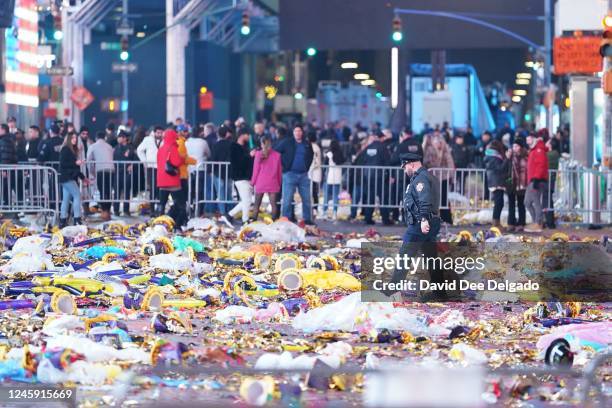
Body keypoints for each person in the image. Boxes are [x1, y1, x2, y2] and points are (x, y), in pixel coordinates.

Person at [385, 152, 443, 300]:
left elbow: (425, 200)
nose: (405, 170)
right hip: (432, 221)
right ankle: (440, 292)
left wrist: (423, 219)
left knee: (405, 255)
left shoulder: (420, 179)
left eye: (405, 167)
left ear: (411, 164)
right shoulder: (430, 176)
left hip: (420, 224)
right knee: (431, 258)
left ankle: (392, 290)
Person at [275, 124, 314, 224]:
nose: (298, 133)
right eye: (296, 131)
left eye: (299, 131)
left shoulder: (306, 143)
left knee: (307, 199)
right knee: (287, 199)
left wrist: (307, 167)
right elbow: (276, 151)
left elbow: (311, 155)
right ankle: (285, 220)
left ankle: (307, 220)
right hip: (289, 174)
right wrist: (284, 166)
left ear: (302, 132)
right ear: (293, 132)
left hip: (303, 175)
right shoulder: (287, 142)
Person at [223, 128, 253, 225]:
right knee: (247, 200)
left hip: (245, 177)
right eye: (248, 135)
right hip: (240, 177)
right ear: (242, 135)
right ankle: (244, 220)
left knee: (246, 200)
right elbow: (238, 162)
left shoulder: (245, 147)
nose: (249, 137)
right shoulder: (234, 147)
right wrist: (250, 156)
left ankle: (229, 215)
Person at [422, 133, 454, 224]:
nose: (437, 144)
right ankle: (432, 218)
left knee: (444, 198)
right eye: (435, 142)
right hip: (432, 177)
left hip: (443, 177)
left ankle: (447, 218)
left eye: (439, 142)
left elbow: (450, 163)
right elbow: (424, 159)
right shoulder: (428, 150)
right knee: (432, 198)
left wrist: (450, 174)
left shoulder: (445, 151)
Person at [156, 129, 186, 227]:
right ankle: (177, 225)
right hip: (172, 181)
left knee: (161, 204)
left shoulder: (161, 148)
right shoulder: (173, 148)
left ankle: (159, 224)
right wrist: (182, 159)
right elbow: (177, 162)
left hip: (162, 181)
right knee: (180, 205)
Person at [251, 135, 282, 220]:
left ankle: (253, 221)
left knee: (257, 204)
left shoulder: (258, 154)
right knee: (273, 205)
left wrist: (252, 182)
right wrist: (279, 184)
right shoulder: (277, 155)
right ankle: (274, 222)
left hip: (261, 182)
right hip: (273, 182)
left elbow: (255, 170)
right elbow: (279, 172)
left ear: (262, 144)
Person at [58, 132, 85, 227]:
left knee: (66, 199)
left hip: (67, 177)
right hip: (67, 177)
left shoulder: (70, 150)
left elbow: (74, 167)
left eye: (76, 138)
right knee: (77, 195)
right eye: (72, 137)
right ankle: (77, 219)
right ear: (68, 139)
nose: (75, 139)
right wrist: (75, 163)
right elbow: (63, 164)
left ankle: (63, 220)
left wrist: (82, 177)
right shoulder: (66, 149)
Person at [87, 131, 115, 221]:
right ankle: (108, 210)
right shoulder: (109, 146)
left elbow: (89, 160)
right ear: (105, 138)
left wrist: (92, 172)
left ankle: (104, 212)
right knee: (109, 191)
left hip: (100, 170)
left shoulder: (93, 146)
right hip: (111, 170)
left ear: (96, 138)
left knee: (102, 191)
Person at [524, 133, 549, 232]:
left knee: (536, 201)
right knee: (527, 202)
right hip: (532, 180)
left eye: (529, 139)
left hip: (537, 180)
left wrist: (536, 178)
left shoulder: (538, 150)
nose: (527, 142)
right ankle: (536, 222)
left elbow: (541, 165)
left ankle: (538, 222)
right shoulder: (534, 150)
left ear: (534, 139)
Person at [136, 126, 163, 214]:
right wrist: (145, 161)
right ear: (154, 132)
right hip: (151, 168)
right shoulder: (147, 140)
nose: (159, 134)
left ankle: (159, 209)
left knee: (160, 188)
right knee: (152, 189)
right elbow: (139, 150)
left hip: (161, 168)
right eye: (158, 132)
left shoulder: (164, 140)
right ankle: (152, 210)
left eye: (161, 132)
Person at [484, 140, 510, 228]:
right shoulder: (494, 157)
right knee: (499, 203)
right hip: (497, 182)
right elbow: (500, 168)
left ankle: (496, 222)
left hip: (495, 181)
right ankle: (495, 223)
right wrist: (506, 159)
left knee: (499, 203)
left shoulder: (491, 156)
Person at [185, 128, 211, 215]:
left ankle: (190, 207)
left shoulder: (186, 142)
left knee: (190, 190)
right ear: (200, 133)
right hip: (200, 169)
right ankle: (199, 210)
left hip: (189, 169)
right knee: (200, 190)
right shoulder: (203, 142)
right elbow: (208, 153)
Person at [210, 125, 234, 215]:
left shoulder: (216, 145)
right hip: (229, 172)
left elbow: (213, 158)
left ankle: (223, 212)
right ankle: (230, 211)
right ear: (226, 134)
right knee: (229, 193)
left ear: (218, 135)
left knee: (221, 194)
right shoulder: (231, 144)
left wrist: (211, 170)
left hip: (218, 172)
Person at [113, 131, 137, 216]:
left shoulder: (131, 148)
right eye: (118, 137)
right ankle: (116, 210)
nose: (118, 138)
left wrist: (132, 165)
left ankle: (126, 210)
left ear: (124, 138)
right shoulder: (116, 148)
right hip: (117, 172)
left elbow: (136, 159)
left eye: (120, 137)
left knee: (127, 192)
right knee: (117, 192)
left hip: (127, 172)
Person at [175, 127, 196, 226]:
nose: (186, 133)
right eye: (185, 131)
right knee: (182, 200)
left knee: (179, 200)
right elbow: (183, 159)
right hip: (182, 175)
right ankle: (181, 221)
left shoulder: (178, 142)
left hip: (179, 174)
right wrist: (195, 161)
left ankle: (179, 219)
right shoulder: (181, 143)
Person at [507, 138, 528, 232]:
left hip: (522, 184)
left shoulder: (525, 156)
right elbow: (506, 168)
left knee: (521, 204)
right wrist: (508, 158)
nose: (514, 148)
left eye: (516, 146)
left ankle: (521, 223)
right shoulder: (510, 156)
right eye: (513, 146)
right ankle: (511, 223)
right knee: (511, 204)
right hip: (512, 183)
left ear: (520, 147)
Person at [322, 139, 344, 220]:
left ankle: (324, 212)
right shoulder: (340, 153)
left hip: (329, 175)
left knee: (326, 195)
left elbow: (325, 164)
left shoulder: (328, 153)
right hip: (338, 175)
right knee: (335, 195)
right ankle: (335, 212)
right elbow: (343, 161)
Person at [545, 137, 560, 229]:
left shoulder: (552, 154)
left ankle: (550, 222)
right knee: (548, 200)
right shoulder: (554, 153)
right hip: (550, 179)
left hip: (549, 179)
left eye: (548, 142)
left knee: (548, 200)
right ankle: (550, 221)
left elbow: (543, 156)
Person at [308, 131, 322, 217]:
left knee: (313, 192)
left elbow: (316, 161)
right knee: (313, 192)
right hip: (312, 172)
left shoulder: (314, 148)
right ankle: (314, 209)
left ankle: (314, 209)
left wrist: (309, 168)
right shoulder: (316, 147)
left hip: (313, 172)